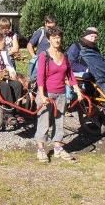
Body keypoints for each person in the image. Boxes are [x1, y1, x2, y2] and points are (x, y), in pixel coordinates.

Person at [34, 27, 81, 163]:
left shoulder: (64, 55)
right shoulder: (44, 55)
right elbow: (40, 77)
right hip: (47, 94)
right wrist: (42, 95)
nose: (57, 40)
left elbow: (70, 75)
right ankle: (41, 149)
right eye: (54, 37)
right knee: (43, 122)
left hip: (61, 94)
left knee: (59, 123)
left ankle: (58, 148)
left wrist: (77, 90)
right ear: (49, 39)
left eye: (59, 37)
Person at [27, 15, 57, 81]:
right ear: (45, 23)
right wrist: (34, 57)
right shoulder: (41, 32)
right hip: (40, 61)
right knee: (35, 80)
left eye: (53, 27)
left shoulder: (56, 33)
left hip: (53, 61)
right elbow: (29, 45)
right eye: (49, 27)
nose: (50, 29)